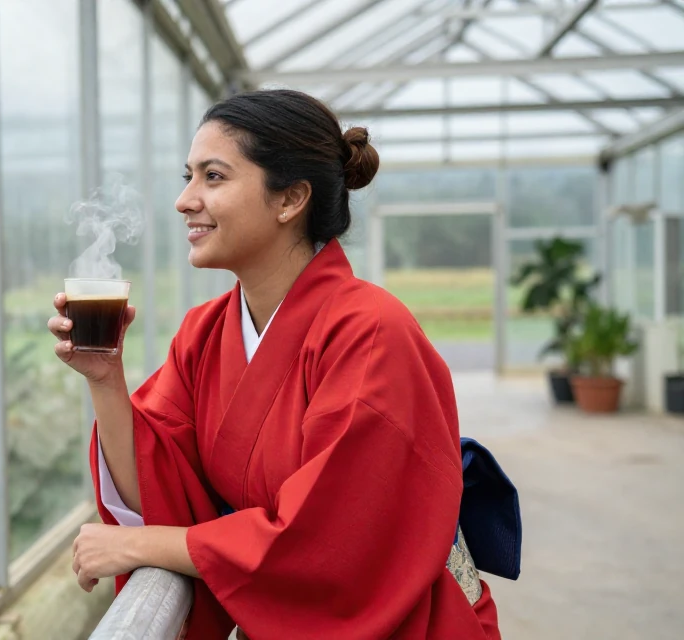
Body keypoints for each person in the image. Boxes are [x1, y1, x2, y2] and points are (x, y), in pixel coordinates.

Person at [48, 89, 504, 639]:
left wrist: (141, 545)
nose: (185, 200)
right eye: (187, 176)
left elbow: (327, 541)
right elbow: (160, 489)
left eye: (213, 177)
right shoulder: (204, 333)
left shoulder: (371, 332)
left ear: (289, 200)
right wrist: (106, 380)